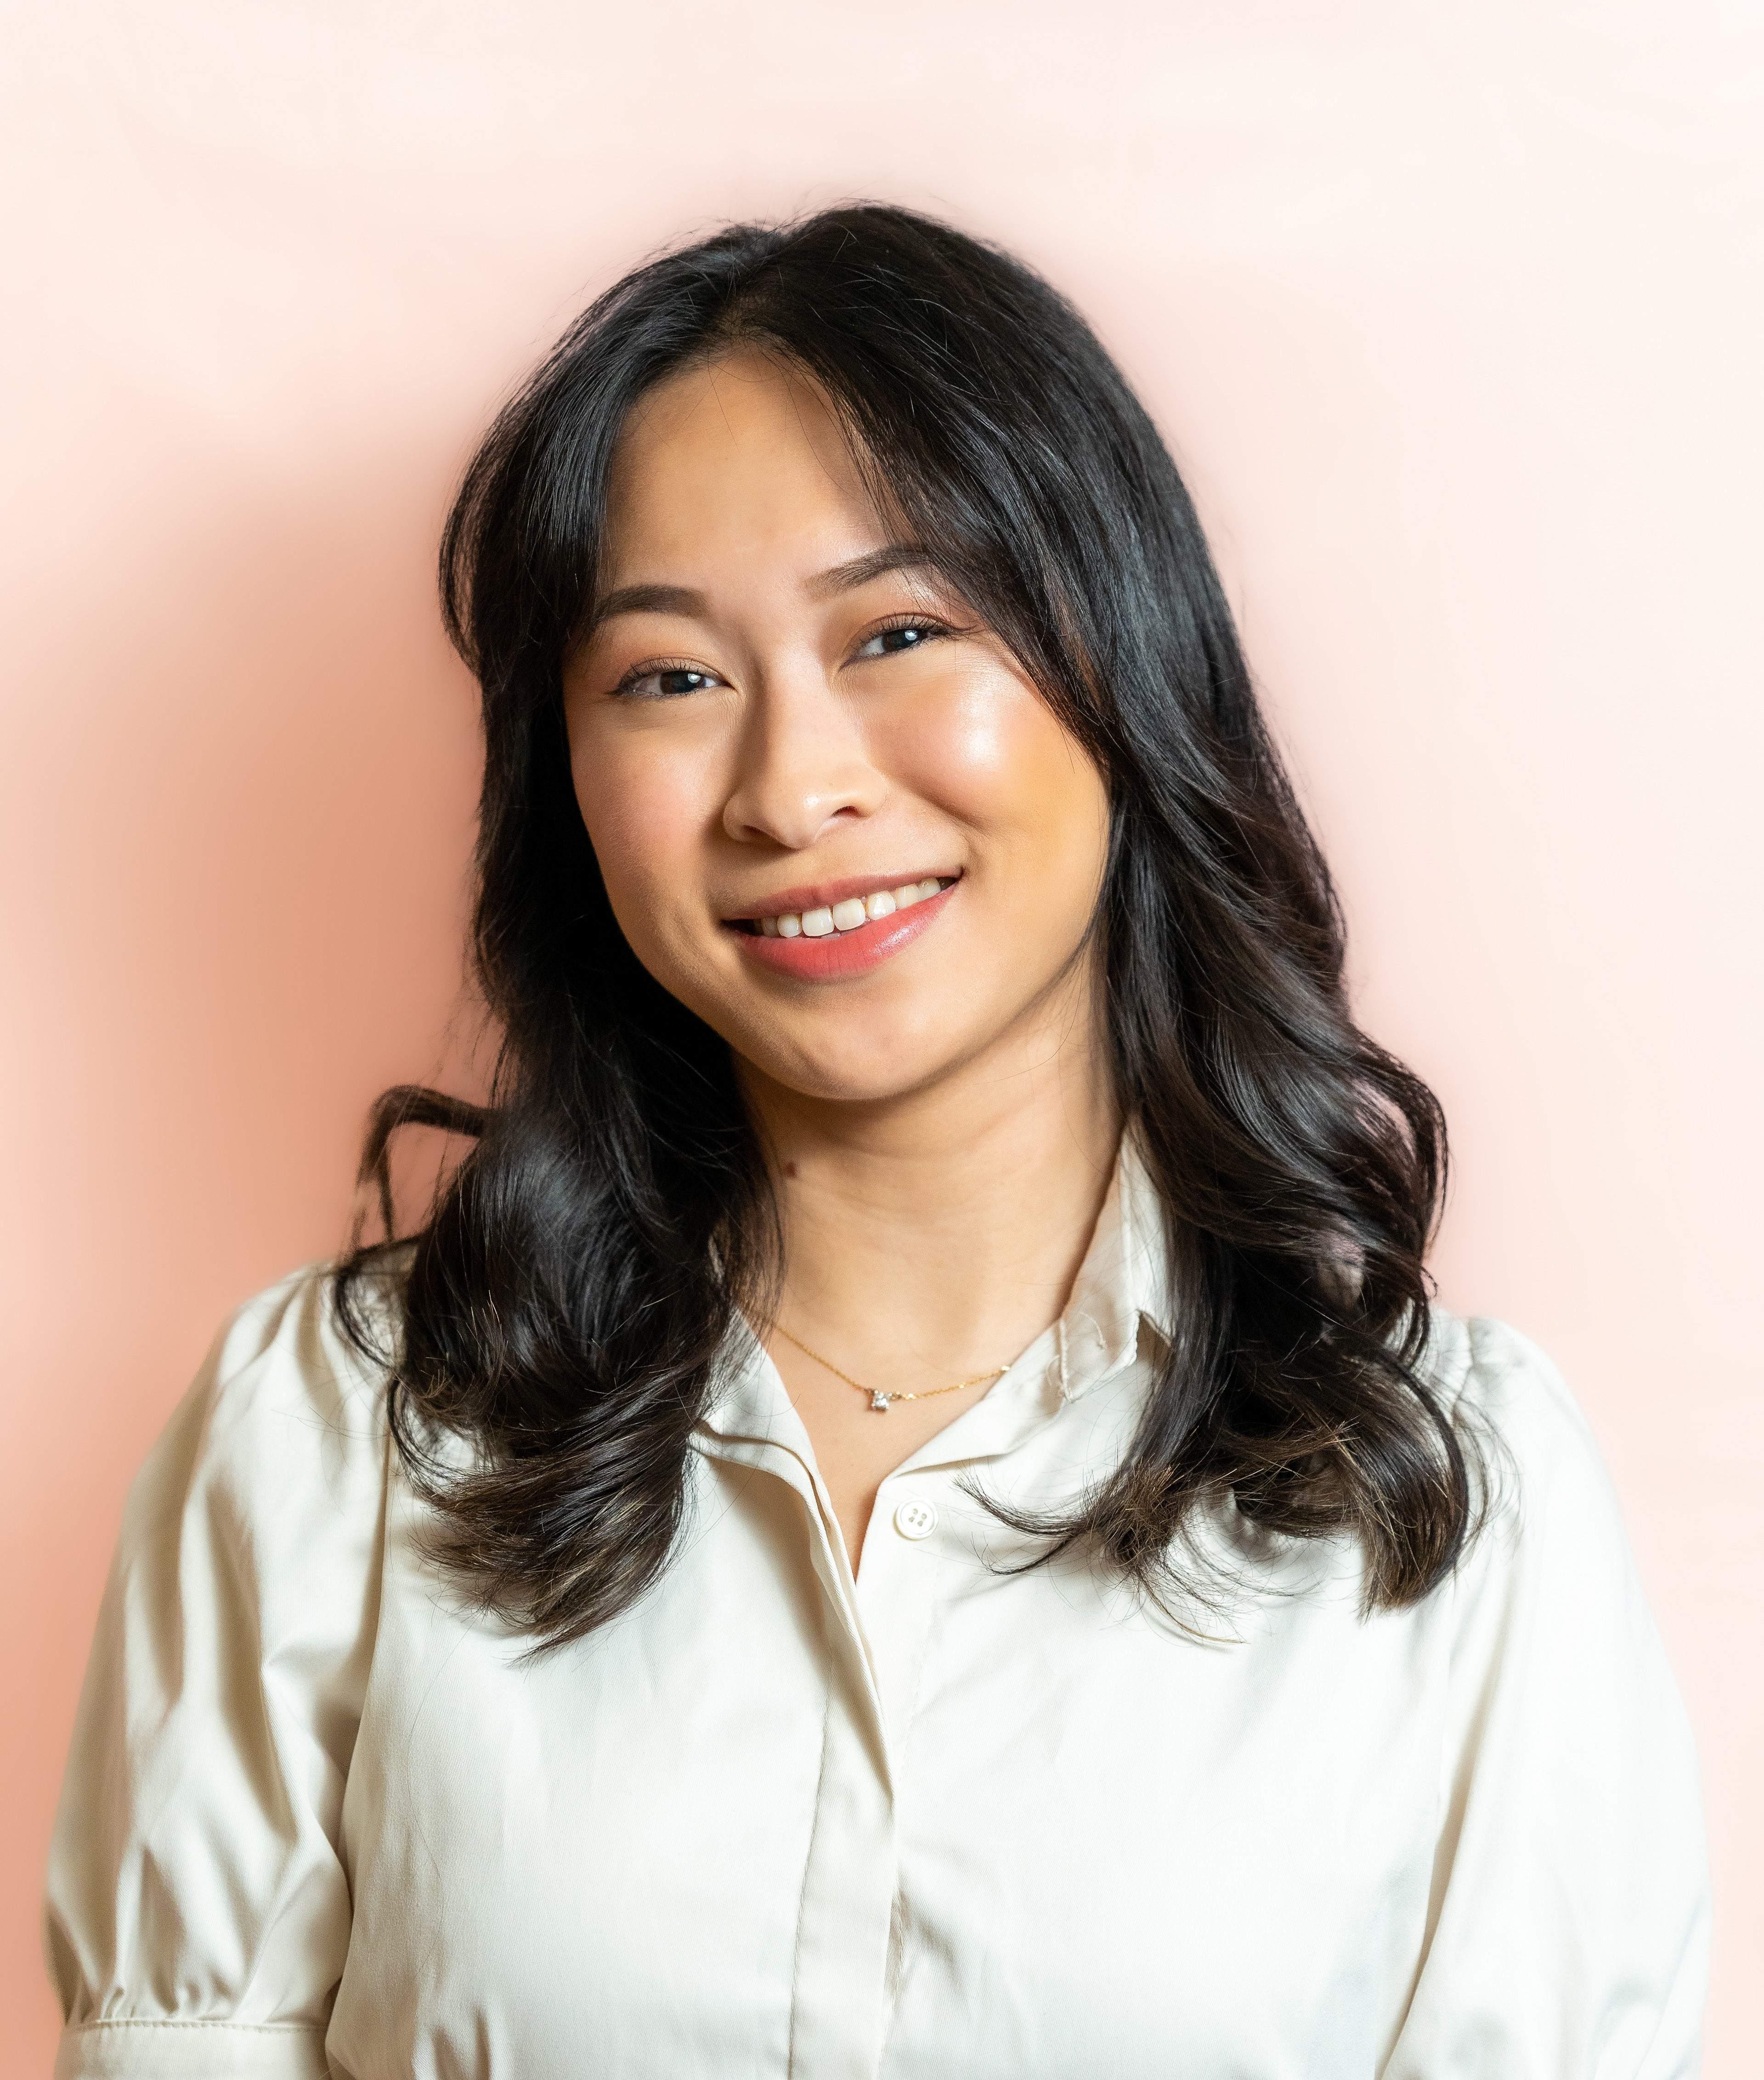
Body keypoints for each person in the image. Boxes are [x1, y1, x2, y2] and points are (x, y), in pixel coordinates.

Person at [45, 207, 1707, 2079]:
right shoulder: (332, 1436)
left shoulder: (1458, 1502)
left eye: (902, 633)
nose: (792, 789)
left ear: (1125, 659)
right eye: (669, 677)